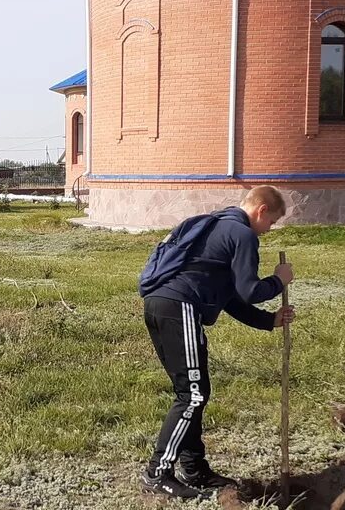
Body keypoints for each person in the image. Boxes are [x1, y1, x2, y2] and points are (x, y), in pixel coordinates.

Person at [140, 185, 296, 499]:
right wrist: (279, 280)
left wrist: (268, 320)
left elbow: (231, 298)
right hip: (179, 308)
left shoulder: (215, 226)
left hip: (161, 305)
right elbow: (251, 290)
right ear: (261, 210)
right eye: (272, 222)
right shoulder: (242, 234)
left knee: (191, 393)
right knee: (194, 395)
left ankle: (195, 469)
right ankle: (157, 474)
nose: (268, 230)